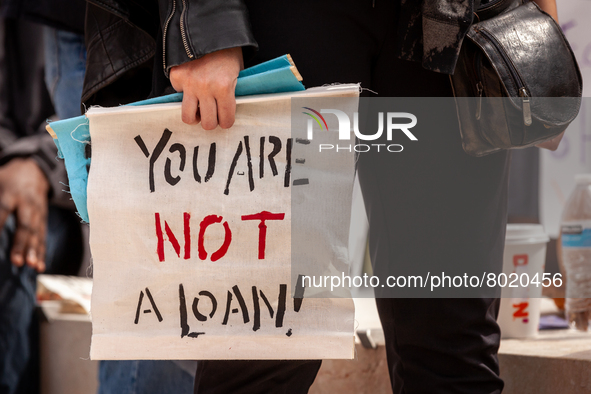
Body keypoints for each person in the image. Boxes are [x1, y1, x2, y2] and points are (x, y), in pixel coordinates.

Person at [81, 0, 561, 393]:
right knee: (267, 340)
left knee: (453, 344)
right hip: (295, 19)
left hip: (449, 25)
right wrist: (204, 23)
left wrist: (537, 16)